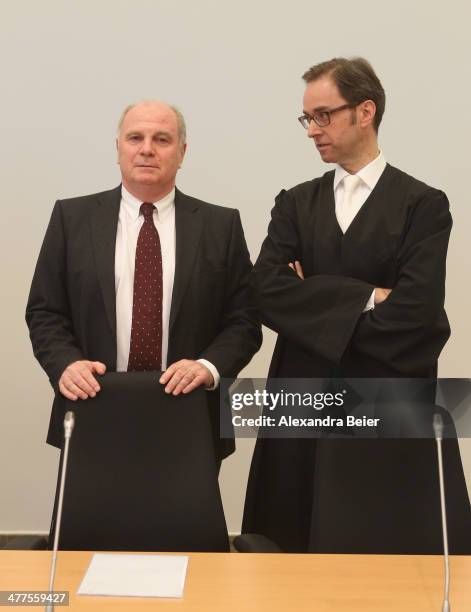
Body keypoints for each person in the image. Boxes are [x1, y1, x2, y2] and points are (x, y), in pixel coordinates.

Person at [242, 58, 471, 554]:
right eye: (307, 119)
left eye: (323, 115)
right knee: (289, 545)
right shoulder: (295, 203)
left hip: (385, 398)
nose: (312, 131)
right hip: (302, 395)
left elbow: (418, 313)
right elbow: (264, 290)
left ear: (364, 111)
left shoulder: (423, 205)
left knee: (384, 549)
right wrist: (367, 296)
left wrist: (312, 299)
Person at [26, 100, 262, 463]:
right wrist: (65, 365)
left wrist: (208, 368)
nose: (147, 148)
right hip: (93, 406)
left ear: (182, 153)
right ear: (118, 148)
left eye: (162, 139)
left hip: (190, 413)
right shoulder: (71, 219)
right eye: (135, 137)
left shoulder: (221, 226)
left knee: (183, 522)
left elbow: (244, 320)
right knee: (92, 522)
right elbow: (45, 310)